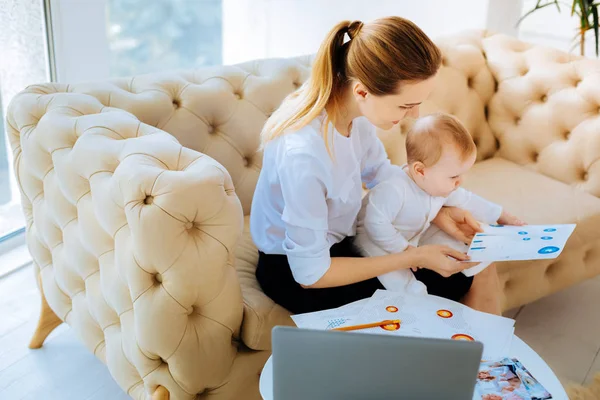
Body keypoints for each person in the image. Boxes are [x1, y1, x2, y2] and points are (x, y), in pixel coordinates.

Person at [250, 16, 499, 315]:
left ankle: (488, 358)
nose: (415, 115)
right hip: (296, 269)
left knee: (471, 263)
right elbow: (310, 275)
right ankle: (473, 356)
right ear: (362, 92)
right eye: (406, 105)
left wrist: (437, 211)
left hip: (342, 241)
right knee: (441, 289)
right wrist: (412, 256)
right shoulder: (304, 157)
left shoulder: (355, 118)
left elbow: (383, 174)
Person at [354, 113, 524, 313]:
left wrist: (502, 216)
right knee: (396, 277)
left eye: (462, 174)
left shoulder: (435, 185)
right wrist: (405, 250)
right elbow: (375, 224)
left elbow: (468, 200)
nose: (460, 182)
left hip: (411, 234)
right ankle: (416, 296)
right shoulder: (394, 189)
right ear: (420, 171)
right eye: (454, 176)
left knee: (467, 244)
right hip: (373, 244)